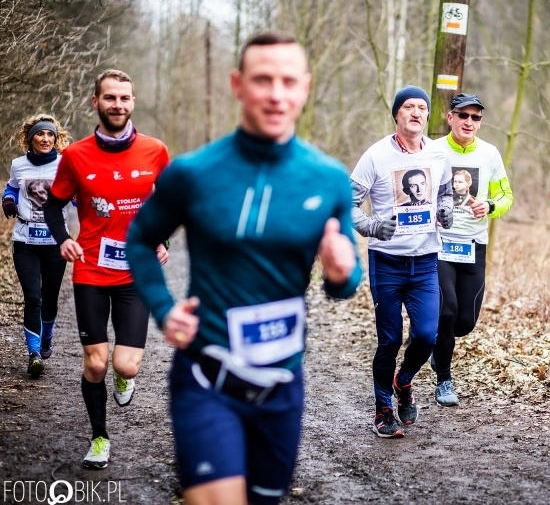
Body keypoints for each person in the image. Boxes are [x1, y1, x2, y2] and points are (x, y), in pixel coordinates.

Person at [126, 31, 361, 505]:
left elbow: (346, 285)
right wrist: (163, 308)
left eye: (288, 81)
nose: (276, 94)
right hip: (206, 378)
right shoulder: (194, 173)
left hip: (282, 386)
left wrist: (340, 271)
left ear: (305, 88)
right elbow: (139, 239)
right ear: (238, 84)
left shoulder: (330, 179)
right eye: (262, 80)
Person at [42, 69, 170, 470]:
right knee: (95, 363)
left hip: (136, 273)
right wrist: (64, 237)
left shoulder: (155, 151)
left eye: (125, 98)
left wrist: (162, 240)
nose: (118, 105)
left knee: (124, 364)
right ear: (95, 102)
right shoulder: (75, 156)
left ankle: (124, 377)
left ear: (133, 102)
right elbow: (53, 203)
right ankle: (99, 437)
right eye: (110, 98)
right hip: (91, 272)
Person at [351, 84, 453, 438]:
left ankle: (403, 381)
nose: (415, 112)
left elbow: (445, 191)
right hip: (388, 262)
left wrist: (446, 208)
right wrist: (371, 225)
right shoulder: (376, 156)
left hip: (425, 261)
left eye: (421, 108)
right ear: (396, 114)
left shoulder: (439, 155)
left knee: (427, 335)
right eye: (408, 106)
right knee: (390, 340)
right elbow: (347, 204)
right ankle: (382, 409)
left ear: (427, 115)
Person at [431, 93, 513, 406]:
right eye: (463, 115)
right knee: (446, 310)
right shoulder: (434, 150)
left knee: (464, 322)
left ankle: (436, 345)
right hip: (439, 245)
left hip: (474, 246)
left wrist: (489, 206)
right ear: (449, 118)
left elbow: (506, 197)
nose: (469, 122)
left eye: (475, 117)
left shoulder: (490, 154)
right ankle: (444, 381)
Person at [2, 114, 71, 377]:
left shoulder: (66, 164)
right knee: (32, 298)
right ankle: (34, 355)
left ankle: (47, 336)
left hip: (55, 243)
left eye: (50, 135)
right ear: (31, 139)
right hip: (25, 242)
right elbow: (11, 189)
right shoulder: (18, 165)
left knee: (50, 300)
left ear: (56, 139)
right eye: (40, 134)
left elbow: (76, 194)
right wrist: (8, 200)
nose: (45, 139)